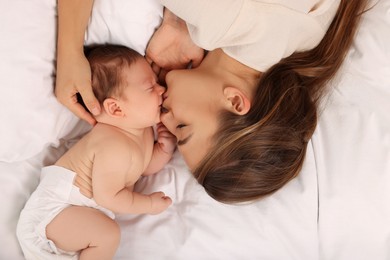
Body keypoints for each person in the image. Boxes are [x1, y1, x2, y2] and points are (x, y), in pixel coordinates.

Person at [55, 0, 369, 203]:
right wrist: (69, 52)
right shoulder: (224, 21)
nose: (162, 118)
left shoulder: (309, 40)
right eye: (183, 127)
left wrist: (180, 22)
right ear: (235, 101)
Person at [17, 44, 175, 259]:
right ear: (116, 108)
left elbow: (139, 169)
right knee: (108, 234)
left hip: (76, 219)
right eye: (151, 87)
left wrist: (162, 151)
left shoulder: (142, 132)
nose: (162, 90)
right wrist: (148, 204)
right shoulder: (111, 144)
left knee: (104, 232)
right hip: (53, 216)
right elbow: (110, 197)